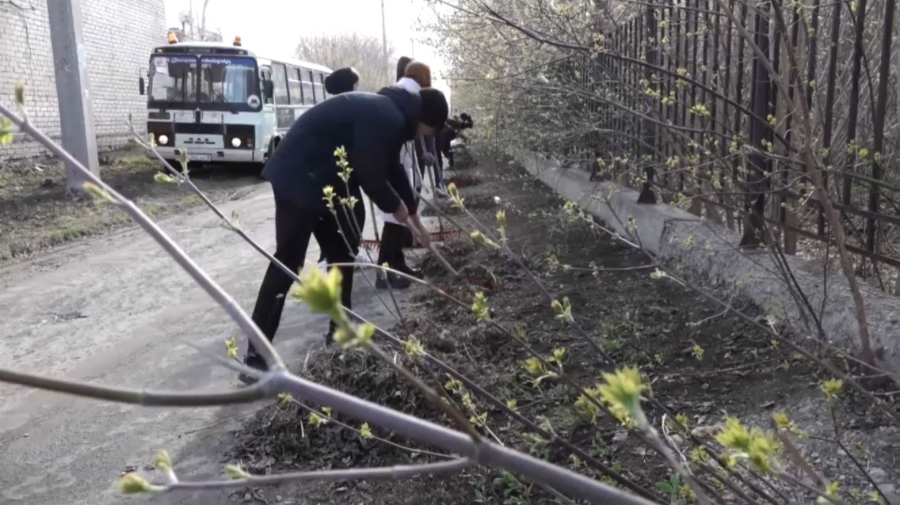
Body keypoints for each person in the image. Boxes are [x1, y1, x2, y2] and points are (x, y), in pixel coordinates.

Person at [241, 83, 449, 379]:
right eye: (428, 131)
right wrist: (398, 210)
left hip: (325, 175)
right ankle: (255, 357)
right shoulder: (386, 116)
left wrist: (413, 214)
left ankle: (340, 330)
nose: (424, 137)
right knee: (289, 261)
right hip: (300, 173)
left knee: (343, 249)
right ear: (423, 120)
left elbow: (391, 167)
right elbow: (372, 176)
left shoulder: (391, 114)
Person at [375, 57, 432, 290]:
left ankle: (398, 264)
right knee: (393, 221)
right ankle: (385, 273)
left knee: (398, 221)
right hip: (389, 164)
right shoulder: (400, 98)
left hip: (399, 163)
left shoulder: (402, 97)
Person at [316, 67, 361, 272]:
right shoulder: (345, 109)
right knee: (351, 217)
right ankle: (340, 259)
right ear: (350, 86)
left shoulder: (330, 107)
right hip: (338, 174)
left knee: (340, 218)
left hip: (333, 173)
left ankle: (336, 256)